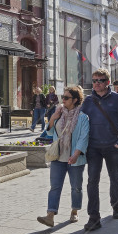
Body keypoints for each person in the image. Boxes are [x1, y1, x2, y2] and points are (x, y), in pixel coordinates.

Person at [80, 68, 118, 231]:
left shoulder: (117, 99)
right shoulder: (88, 101)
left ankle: (116, 206)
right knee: (92, 181)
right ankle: (93, 217)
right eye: (94, 80)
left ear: (107, 82)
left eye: (99, 80)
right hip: (93, 147)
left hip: (112, 146)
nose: (95, 83)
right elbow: (81, 123)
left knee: (115, 177)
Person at [37, 85, 89, 226]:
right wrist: (53, 118)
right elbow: (49, 133)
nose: (63, 100)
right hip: (58, 157)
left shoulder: (83, 118)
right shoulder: (59, 113)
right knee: (55, 186)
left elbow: (84, 138)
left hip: (75, 158)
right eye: (63, 97)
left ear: (75, 100)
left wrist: (77, 154)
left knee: (76, 187)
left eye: (66, 97)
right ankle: (50, 215)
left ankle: (74, 211)